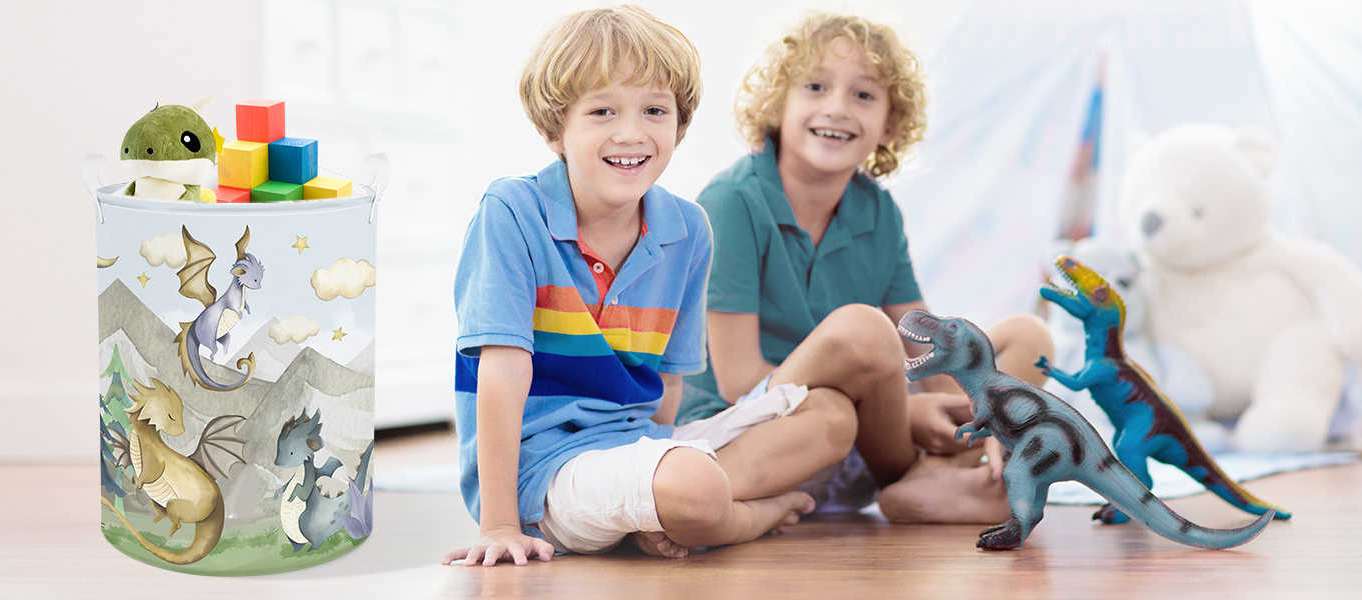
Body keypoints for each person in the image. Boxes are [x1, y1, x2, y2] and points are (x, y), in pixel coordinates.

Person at [444, 6, 821, 567]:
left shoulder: (689, 229)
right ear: (555, 130)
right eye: (602, 111)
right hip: (546, 468)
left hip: (640, 445)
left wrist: (656, 463)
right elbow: (501, 370)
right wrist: (500, 522)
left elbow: (667, 381)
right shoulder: (512, 212)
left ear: (679, 124)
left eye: (654, 110)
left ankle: (661, 507)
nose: (632, 133)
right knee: (694, 483)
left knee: (829, 418)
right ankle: (747, 516)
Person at [677, 12, 1055, 523]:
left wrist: (978, 416)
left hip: (867, 438)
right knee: (862, 330)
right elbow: (738, 381)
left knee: (1028, 338)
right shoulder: (732, 202)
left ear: (889, 124)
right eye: (814, 86)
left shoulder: (877, 211)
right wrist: (905, 413)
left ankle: (939, 478)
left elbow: (930, 352)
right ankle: (920, 479)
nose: (837, 108)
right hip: (755, 433)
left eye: (864, 95)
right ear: (777, 103)